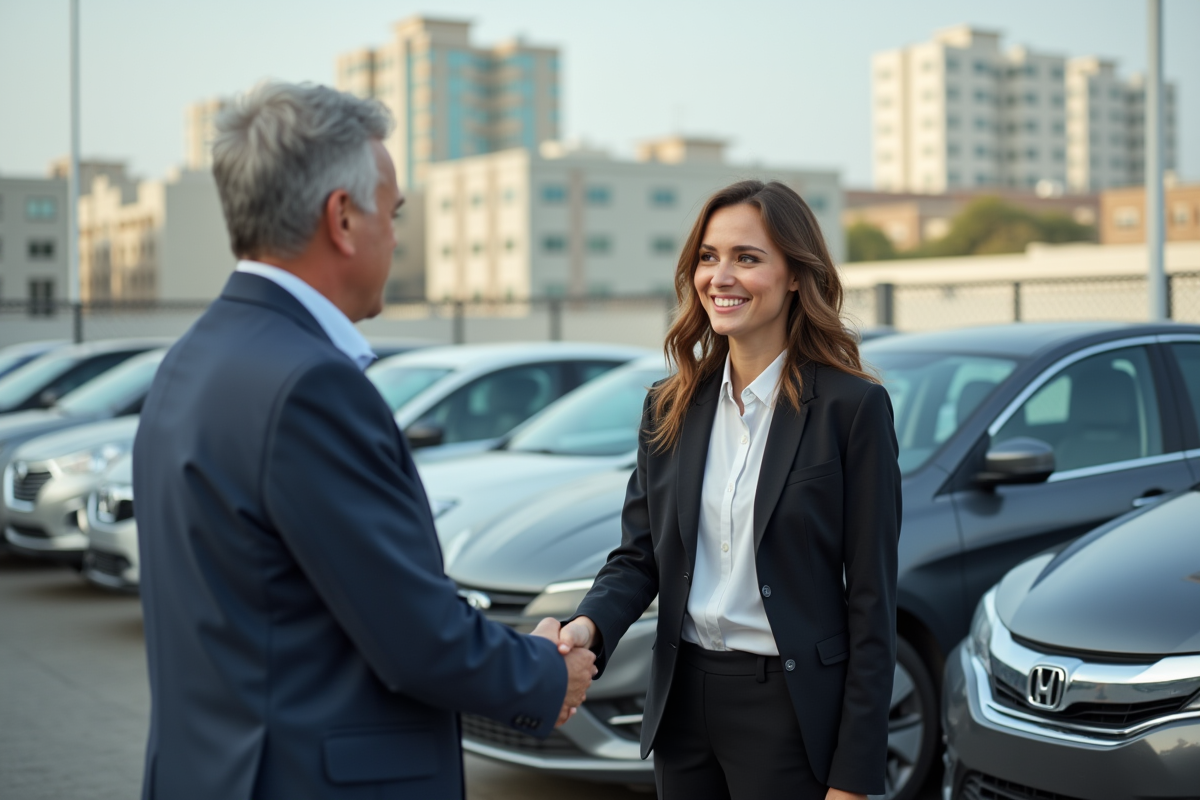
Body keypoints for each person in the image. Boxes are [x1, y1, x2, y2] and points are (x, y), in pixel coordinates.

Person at [132, 82, 595, 800]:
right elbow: (415, 636)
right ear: (343, 218)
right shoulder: (311, 385)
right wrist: (543, 670)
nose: (397, 236)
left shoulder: (194, 358)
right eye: (394, 212)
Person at [555, 180, 901, 799]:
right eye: (708, 257)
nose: (720, 277)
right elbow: (639, 557)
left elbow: (873, 604)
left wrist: (852, 779)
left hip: (790, 711)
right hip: (682, 705)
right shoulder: (669, 405)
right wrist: (586, 627)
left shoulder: (852, 409)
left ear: (795, 275)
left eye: (747, 257)